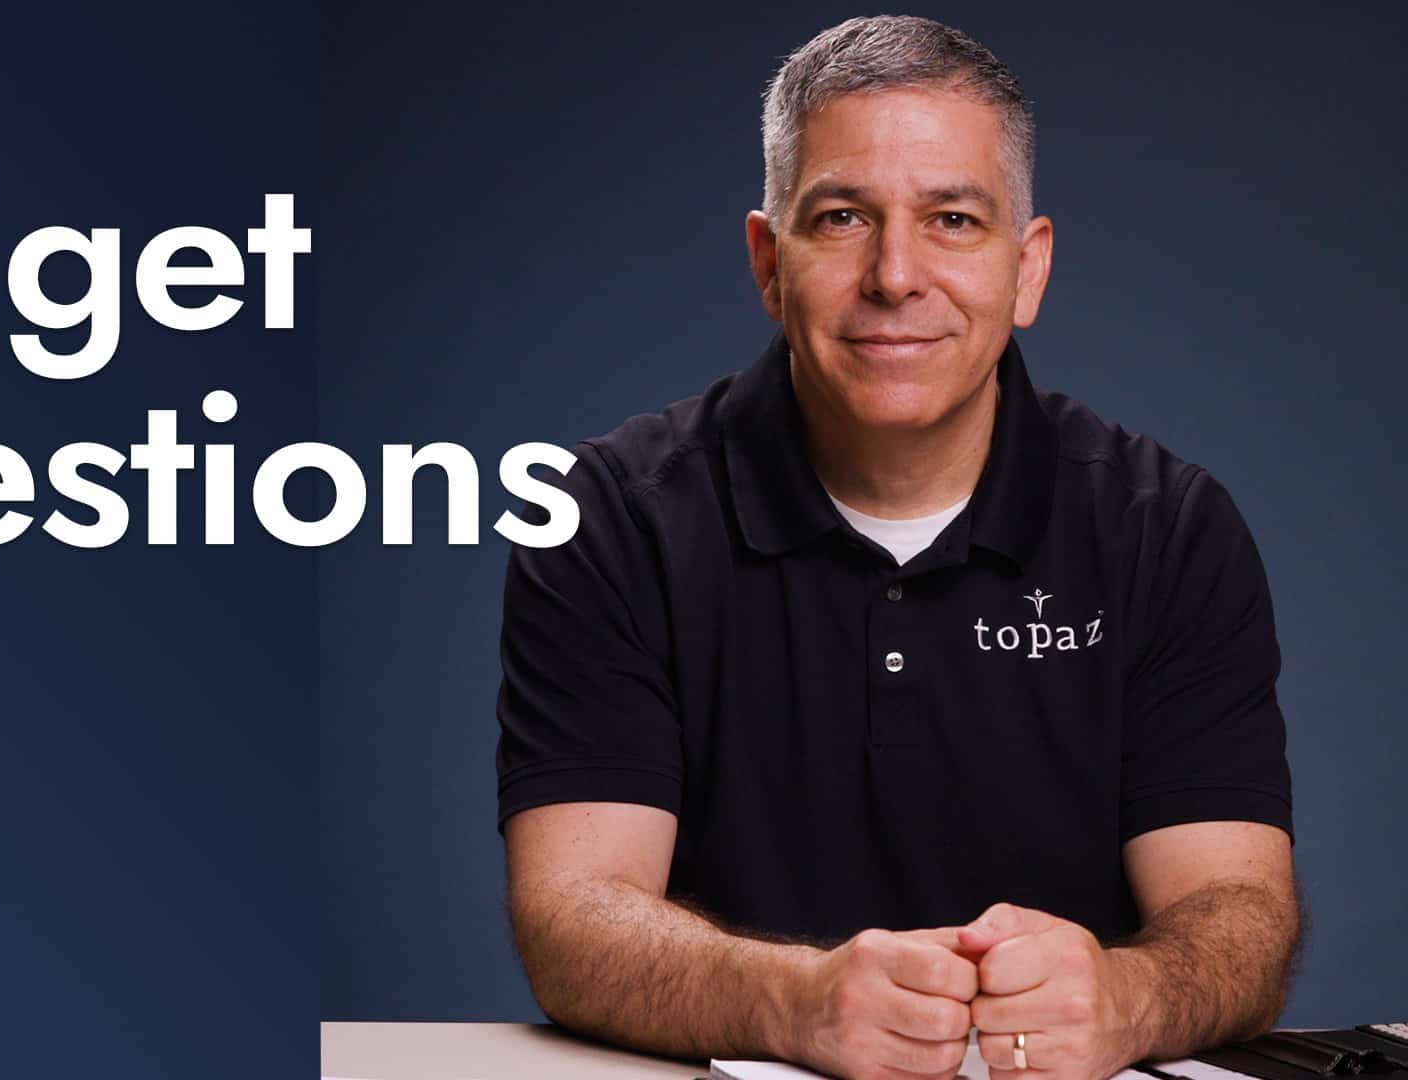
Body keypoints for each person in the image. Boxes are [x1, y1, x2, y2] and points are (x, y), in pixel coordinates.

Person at [493, 15, 1299, 1080]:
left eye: (954, 218)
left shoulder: (1168, 528)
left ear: (1028, 267)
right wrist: (798, 1002)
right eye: (841, 217)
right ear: (768, 262)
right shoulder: (606, 518)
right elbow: (572, 919)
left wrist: (1133, 997)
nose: (895, 275)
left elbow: (1237, 911)